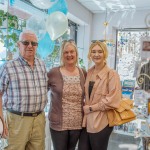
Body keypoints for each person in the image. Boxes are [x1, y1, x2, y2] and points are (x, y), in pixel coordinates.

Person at [0, 30, 48, 150]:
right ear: (19, 44)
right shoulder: (8, 67)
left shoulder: (42, 65)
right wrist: (1, 119)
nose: (30, 46)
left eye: (34, 43)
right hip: (16, 121)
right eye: (26, 42)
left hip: (39, 120)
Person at [78, 41, 122, 150]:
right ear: (90, 54)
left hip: (101, 122)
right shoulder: (89, 72)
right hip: (87, 121)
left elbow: (113, 100)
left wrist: (91, 108)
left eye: (99, 51)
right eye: (93, 52)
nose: (96, 54)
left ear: (105, 54)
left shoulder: (111, 74)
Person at [47, 40, 86, 150]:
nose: (69, 55)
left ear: (76, 54)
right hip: (58, 124)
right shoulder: (53, 72)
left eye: (72, 52)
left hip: (77, 124)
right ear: (62, 55)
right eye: (66, 52)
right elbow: (42, 90)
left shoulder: (83, 73)